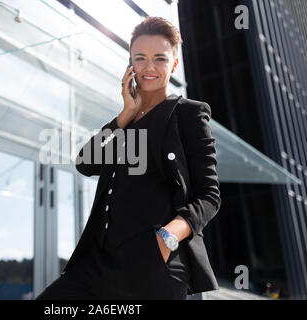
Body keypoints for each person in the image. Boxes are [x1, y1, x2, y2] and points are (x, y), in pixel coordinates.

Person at [35, 16, 221, 300]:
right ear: (130, 65)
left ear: (173, 64)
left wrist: (167, 237)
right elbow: (86, 163)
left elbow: (209, 196)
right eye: (140, 58)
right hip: (96, 263)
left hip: (154, 261)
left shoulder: (189, 114)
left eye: (159, 58)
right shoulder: (126, 120)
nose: (149, 67)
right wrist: (125, 114)